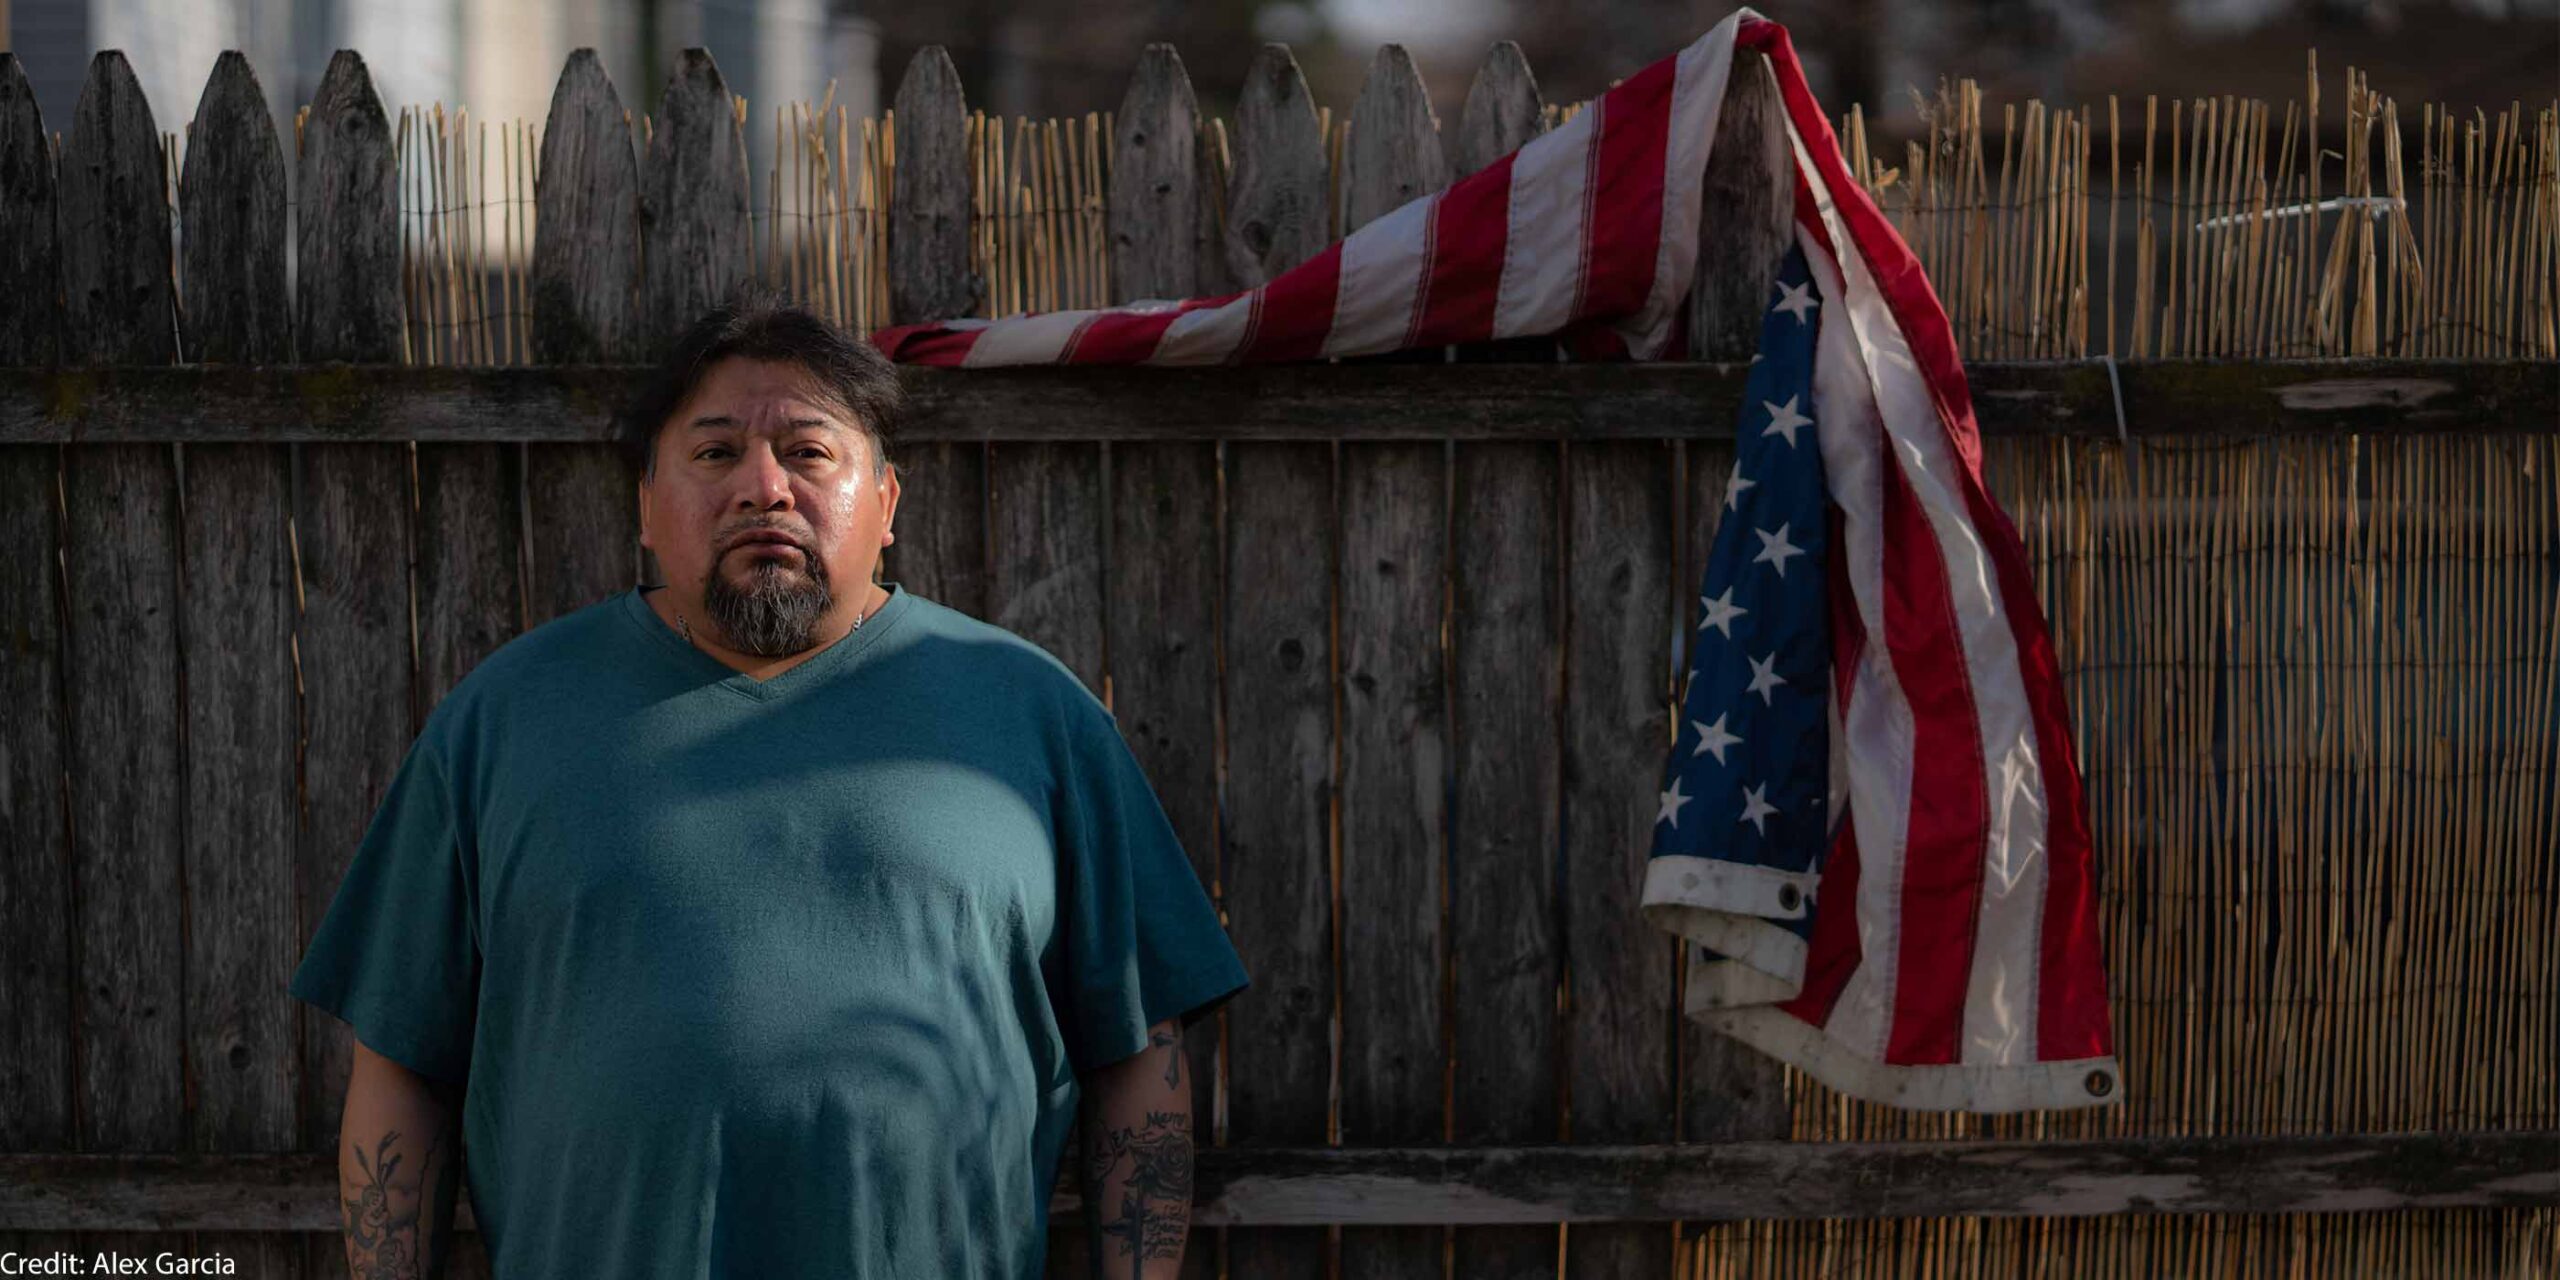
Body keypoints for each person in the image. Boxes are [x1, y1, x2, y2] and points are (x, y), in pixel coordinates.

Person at [288, 291, 1249, 1280]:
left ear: (887, 503)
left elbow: (1141, 1055)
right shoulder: (501, 721)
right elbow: (401, 1063)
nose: (763, 488)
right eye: (715, 452)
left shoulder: (1034, 716)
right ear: (646, 507)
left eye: (808, 451)